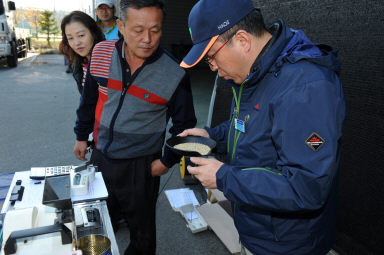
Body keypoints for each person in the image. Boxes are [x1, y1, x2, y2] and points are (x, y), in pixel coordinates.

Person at [179, 0, 346, 254]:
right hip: (258, 231)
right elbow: (249, 127)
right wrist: (212, 136)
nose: (213, 68)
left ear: (243, 40)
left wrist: (224, 177)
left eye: (212, 57)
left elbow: (307, 186)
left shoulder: (305, 88)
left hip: (287, 244)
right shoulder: (256, 73)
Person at [73, 0, 197, 254]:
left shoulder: (175, 73)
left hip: (141, 166)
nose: (148, 39)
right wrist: (81, 136)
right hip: (101, 157)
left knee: (142, 236)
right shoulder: (101, 53)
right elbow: (88, 100)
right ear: (120, 26)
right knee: (96, 226)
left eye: (156, 30)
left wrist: (166, 161)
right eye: (138, 30)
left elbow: (186, 127)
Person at [59, 11, 105, 94]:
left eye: (81, 35)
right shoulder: (77, 63)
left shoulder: (109, 61)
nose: (76, 43)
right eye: (70, 38)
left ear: (93, 33)